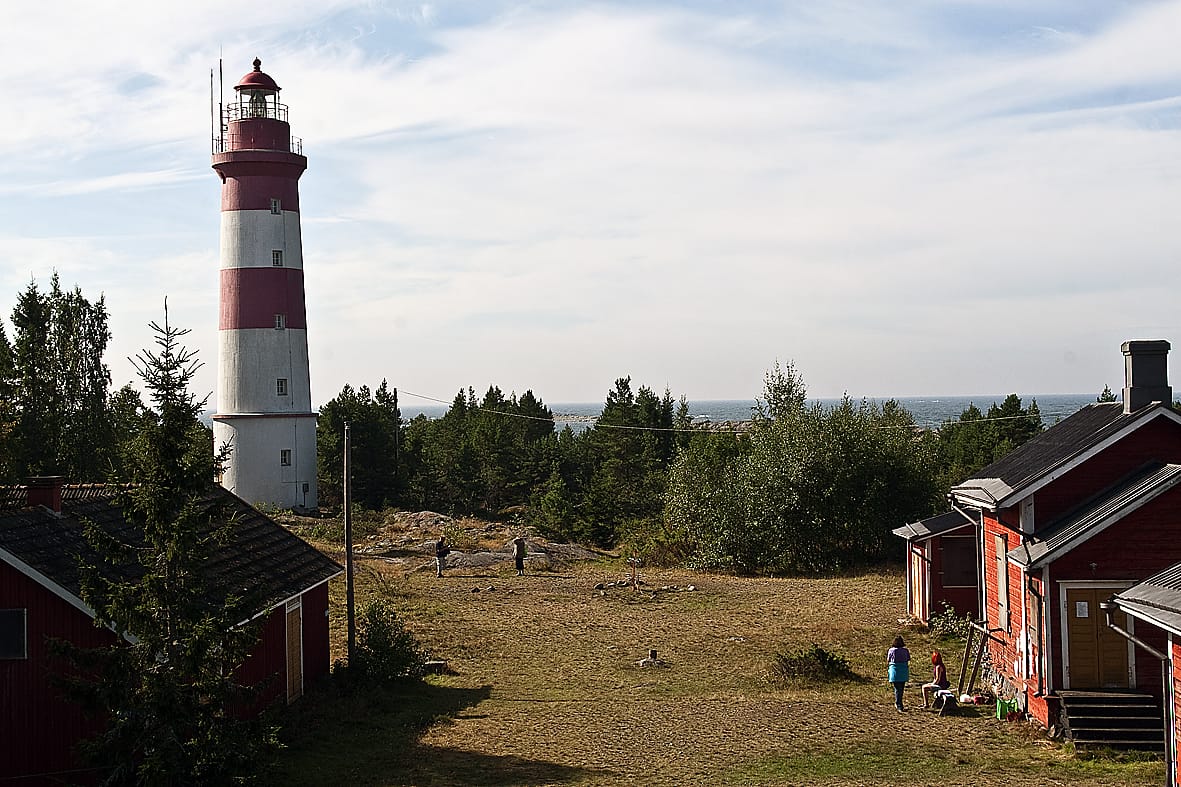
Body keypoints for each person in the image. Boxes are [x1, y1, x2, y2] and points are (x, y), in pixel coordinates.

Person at [887, 635, 911, 712]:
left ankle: (899, 704)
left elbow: (888, 660)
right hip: (903, 671)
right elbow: (908, 659)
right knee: (901, 688)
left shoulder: (891, 650)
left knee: (897, 689)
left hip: (895, 671)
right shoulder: (905, 650)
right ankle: (899, 703)